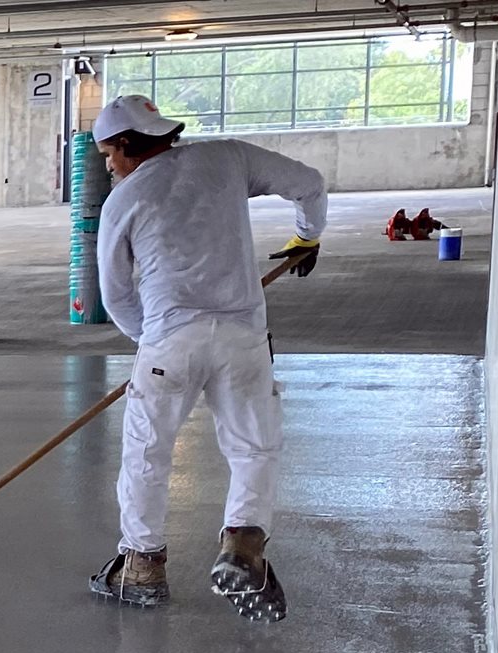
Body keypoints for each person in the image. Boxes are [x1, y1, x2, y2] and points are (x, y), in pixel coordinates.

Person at [86, 95, 326, 622]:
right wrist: (306, 238)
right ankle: (244, 543)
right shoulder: (228, 158)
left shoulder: (121, 202)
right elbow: (310, 183)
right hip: (243, 337)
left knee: (147, 453)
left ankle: (142, 567)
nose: (108, 167)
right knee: (254, 448)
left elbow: (115, 293)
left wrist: (151, 344)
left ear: (127, 145)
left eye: (108, 155)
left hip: (168, 341)